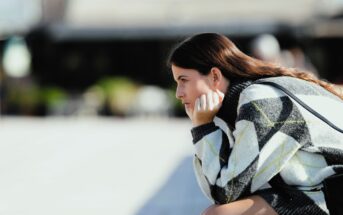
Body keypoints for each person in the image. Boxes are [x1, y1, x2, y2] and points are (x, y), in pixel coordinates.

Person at [167, 33, 343, 215]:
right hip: (320, 190)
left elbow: (225, 193)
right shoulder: (238, 105)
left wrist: (202, 128)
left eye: (183, 80)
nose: (178, 93)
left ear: (214, 76)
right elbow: (220, 190)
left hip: (334, 191)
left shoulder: (260, 101)